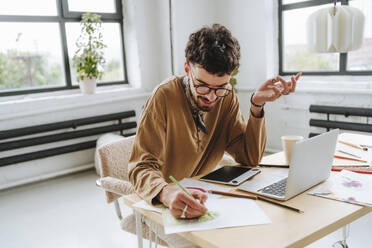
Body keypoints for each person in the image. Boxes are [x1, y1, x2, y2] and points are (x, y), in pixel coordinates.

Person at [128, 24, 301, 219]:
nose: (211, 97)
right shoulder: (164, 96)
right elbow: (140, 167)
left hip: (205, 198)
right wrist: (167, 193)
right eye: (202, 86)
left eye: (220, 87)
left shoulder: (226, 97)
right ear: (187, 69)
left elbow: (249, 158)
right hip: (163, 203)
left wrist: (256, 105)